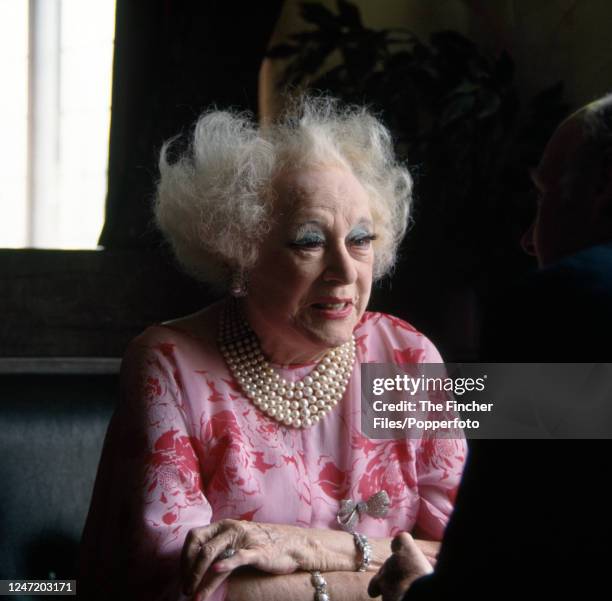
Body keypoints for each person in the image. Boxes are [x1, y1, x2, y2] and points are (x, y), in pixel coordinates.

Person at [78, 97, 466, 601]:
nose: (346, 271)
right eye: (309, 241)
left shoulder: (407, 357)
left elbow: (468, 555)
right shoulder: (171, 366)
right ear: (242, 251)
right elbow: (190, 588)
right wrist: (382, 577)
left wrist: (303, 547)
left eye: (360, 239)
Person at [368, 95, 612, 600]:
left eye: (543, 198)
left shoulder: (565, 304)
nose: (527, 239)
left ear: (602, 193)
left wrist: (417, 587)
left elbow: (490, 572)